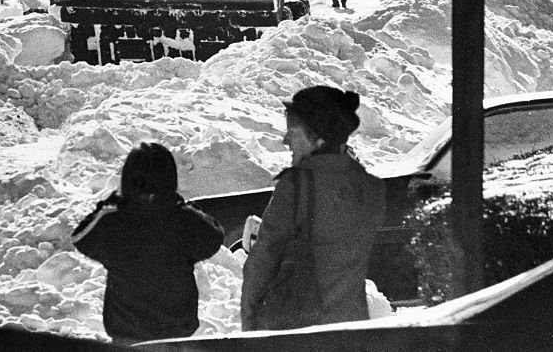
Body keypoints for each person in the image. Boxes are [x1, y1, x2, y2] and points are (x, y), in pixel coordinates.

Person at [241, 86, 385, 330]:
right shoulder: (371, 187)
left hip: (297, 329)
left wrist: (248, 322)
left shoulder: (297, 186)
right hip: (351, 327)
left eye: (293, 132)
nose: (286, 140)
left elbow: (263, 261)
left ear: (319, 138)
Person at [71, 142, 224, 345]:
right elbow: (215, 235)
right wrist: (180, 204)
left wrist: (112, 201)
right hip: (176, 334)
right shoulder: (184, 219)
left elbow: (80, 237)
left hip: (127, 335)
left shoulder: (112, 221)